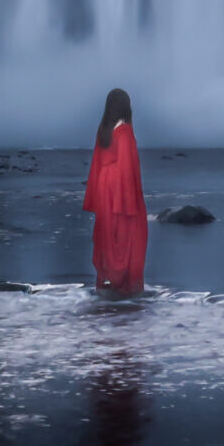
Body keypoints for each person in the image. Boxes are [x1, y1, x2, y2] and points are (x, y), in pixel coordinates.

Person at [83, 87, 147, 295]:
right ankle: (125, 285)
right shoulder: (125, 132)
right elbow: (128, 167)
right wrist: (130, 202)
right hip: (119, 189)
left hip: (104, 187)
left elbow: (97, 164)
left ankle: (107, 280)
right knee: (129, 231)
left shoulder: (103, 131)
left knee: (107, 233)